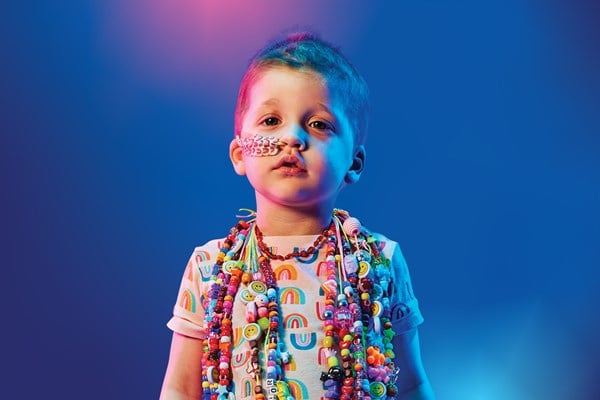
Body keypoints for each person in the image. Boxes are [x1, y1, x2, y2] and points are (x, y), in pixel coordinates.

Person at [160, 32, 434, 400]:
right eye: (271, 120)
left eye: (319, 124)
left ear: (354, 162)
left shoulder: (379, 261)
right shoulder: (209, 267)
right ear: (240, 153)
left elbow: (411, 384)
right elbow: (180, 389)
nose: (292, 138)